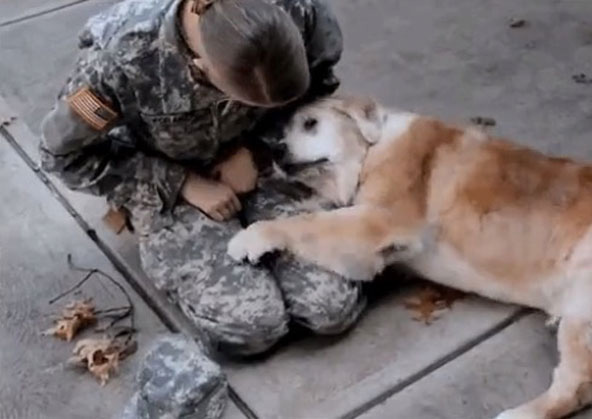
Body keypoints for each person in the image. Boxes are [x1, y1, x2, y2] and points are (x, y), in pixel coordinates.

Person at [39, 0, 365, 356]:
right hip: (170, 182)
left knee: (332, 307)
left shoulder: (300, 11)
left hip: (264, 156)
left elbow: (317, 86)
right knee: (254, 327)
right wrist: (181, 183)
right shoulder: (120, 62)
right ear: (199, 69)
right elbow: (62, 157)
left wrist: (256, 151)